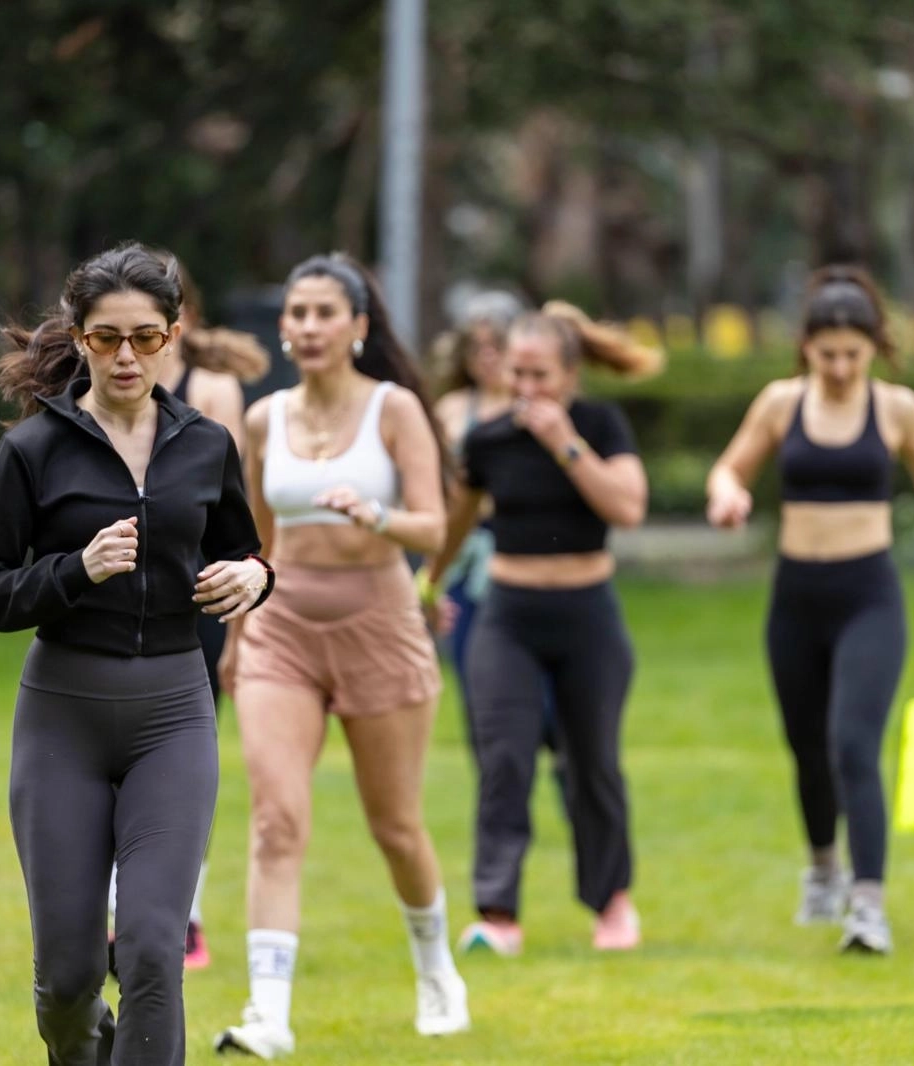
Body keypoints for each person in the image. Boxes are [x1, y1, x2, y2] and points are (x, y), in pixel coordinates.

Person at [0, 242, 273, 1065]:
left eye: (144, 337)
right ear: (80, 337)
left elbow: (243, 549)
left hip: (172, 713)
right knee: (68, 980)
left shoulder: (206, 445)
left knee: (151, 953)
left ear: (174, 336)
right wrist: (77, 569)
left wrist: (256, 577)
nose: (126, 356)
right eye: (106, 338)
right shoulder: (32, 451)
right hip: (62, 715)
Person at [213, 253, 468, 1058]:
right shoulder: (265, 419)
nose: (310, 326)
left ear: (358, 326)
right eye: (298, 313)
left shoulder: (395, 409)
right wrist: (237, 636)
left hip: (379, 624)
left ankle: (436, 969)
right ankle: (268, 1014)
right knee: (275, 818)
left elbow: (435, 525)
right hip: (281, 629)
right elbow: (256, 543)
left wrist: (376, 516)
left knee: (395, 826)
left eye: (326, 312)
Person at [705, 265, 914, 955]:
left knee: (854, 744)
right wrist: (726, 495)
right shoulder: (781, 404)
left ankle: (868, 906)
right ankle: (823, 870)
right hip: (796, 598)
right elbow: (730, 466)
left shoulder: (896, 410)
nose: (838, 369)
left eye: (852, 355)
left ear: (874, 349)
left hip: (868, 597)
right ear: (806, 347)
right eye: (826, 354)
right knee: (806, 747)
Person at [427, 300, 660, 957]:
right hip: (508, 617)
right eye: (517, 375)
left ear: (570, 374)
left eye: (540, 376)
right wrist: (427, 584)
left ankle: (611, 903)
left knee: (592, 763)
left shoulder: (600, 425)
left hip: (588, 617)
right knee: (504, 760)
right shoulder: (489, 439)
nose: (526, 389)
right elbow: (457, 518)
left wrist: (565, 444)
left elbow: (628, 507)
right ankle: (497, 914)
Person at [107, 257, 272, 972]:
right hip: (110, 594)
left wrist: (238, 627)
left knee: (179, 767)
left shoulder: (211, 390)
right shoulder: (99, 388)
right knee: (107, 760)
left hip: (193, 596)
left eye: (148, 326)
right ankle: (118, 914)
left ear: (179, 323)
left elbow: (221, 495)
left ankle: (186, 918)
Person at [426, 292, 569, 839]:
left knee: (551, 699)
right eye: (477, 346)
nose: (486, 356)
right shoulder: (450, 411)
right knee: (482, 693)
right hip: (467, 564)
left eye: (496, 345)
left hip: (527, 553)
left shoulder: (539, 406)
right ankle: (502, 806)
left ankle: (565, 777)